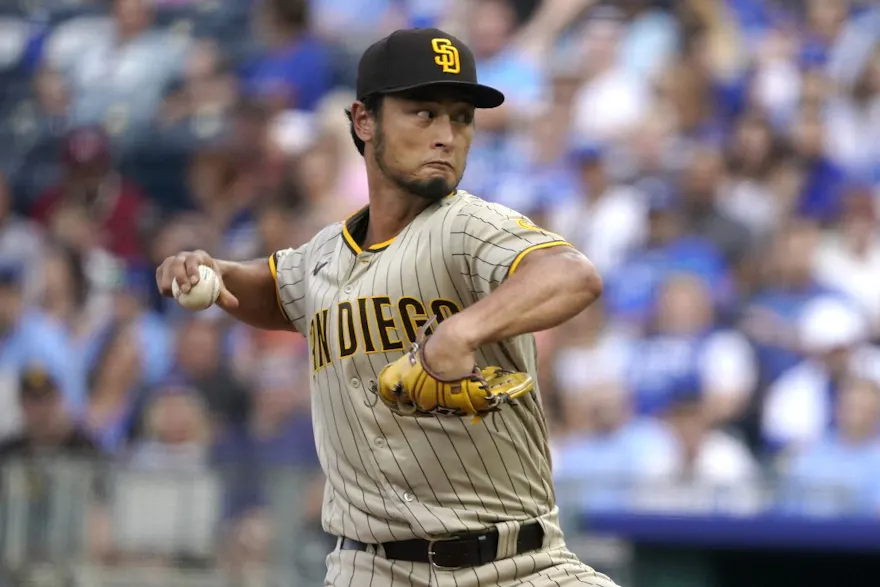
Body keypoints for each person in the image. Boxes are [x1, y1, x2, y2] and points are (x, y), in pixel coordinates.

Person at [156, 27, 612, 587]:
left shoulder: (466, 224)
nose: (447, 135)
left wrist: (460, 332)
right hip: (368, 569)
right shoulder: (324, 254)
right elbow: (274, 290)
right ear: (363, 121)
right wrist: (215, 269)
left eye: (461, 117)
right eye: (423, 114)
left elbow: (572, 274)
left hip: (517, 564)